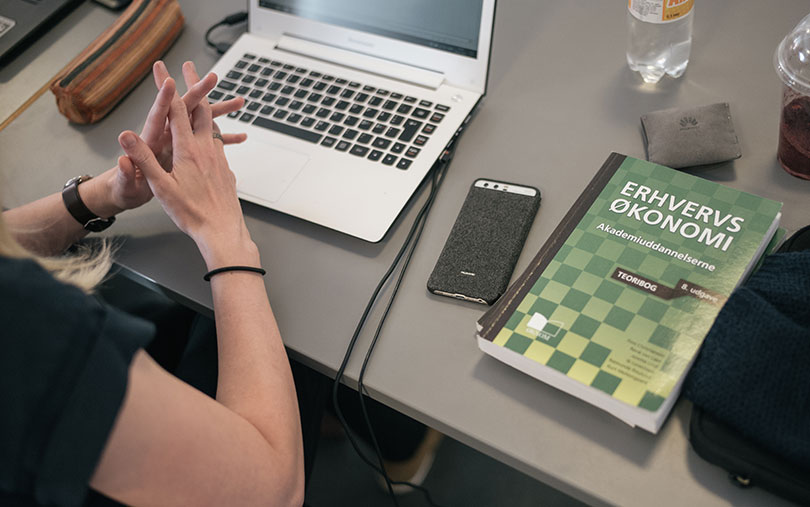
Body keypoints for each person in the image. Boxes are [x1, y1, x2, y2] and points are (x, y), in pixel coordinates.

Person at [0, 61, 305, 506]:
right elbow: (277, 491)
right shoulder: (24, 329)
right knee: (290, 343)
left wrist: (104, 194)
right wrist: (225, 234)